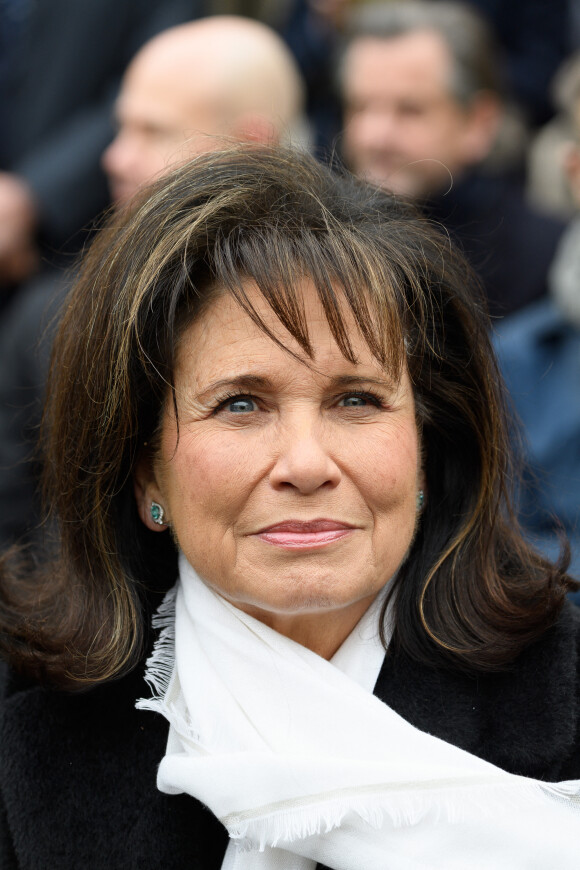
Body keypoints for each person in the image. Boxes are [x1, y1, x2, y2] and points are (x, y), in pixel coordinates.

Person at [0, 145, 579, 868]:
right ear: (144, 470)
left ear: (430, 446)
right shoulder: (30, 722)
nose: (306, 464)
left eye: (357, 400)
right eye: (241, 404)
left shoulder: (567, 689)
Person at [0, 15, 307, 550]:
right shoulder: (50, 319)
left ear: (250, 141)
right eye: (120, 127)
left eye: (153, 131)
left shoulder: (349, 312)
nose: (114, 157)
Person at [339, 0, 566, 318]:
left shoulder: (548, 261)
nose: (375, 135)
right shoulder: (317, 245)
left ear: (479, 123)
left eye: (410, 110)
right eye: (360, 106)